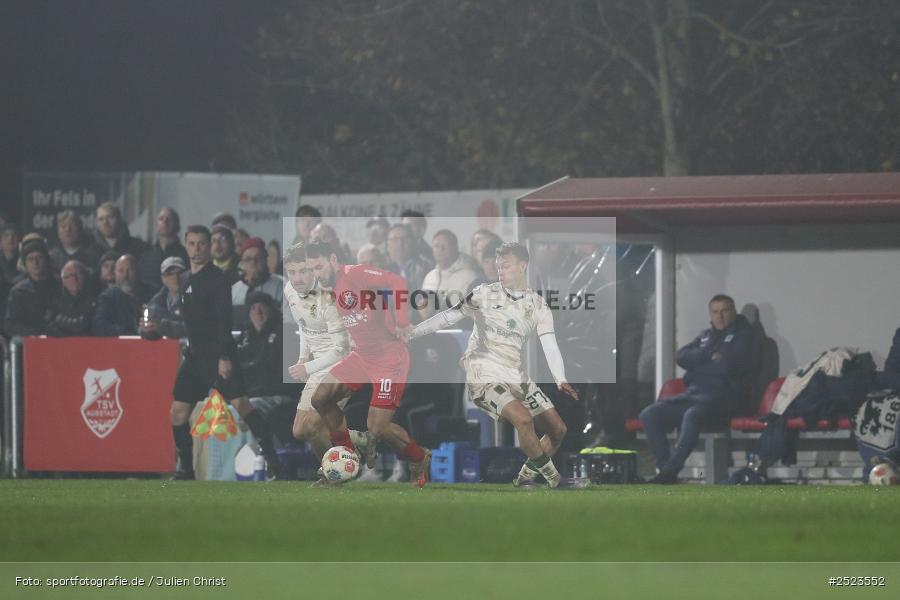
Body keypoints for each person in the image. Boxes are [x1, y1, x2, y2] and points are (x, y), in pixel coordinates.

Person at [407, 242, 579, 488]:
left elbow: (549, 344)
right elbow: (448, 316)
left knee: (558, 430)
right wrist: (412, 333)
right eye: (498, 266)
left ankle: (525, 478)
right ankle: (555, 479)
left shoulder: (538, 305)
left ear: (523, 266)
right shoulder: (483, 294)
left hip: (514, 374)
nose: (500, 270)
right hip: (483, 372)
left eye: (506, 266)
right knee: (523, 420)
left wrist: (560, 378)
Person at [304, 240, 432, 487]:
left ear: (332, 260)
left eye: (319, 267)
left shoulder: (355, 273)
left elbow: (397, 282)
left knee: (379, 427)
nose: (317, 275)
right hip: (363, 356)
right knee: (320, 398)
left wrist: (403, 320)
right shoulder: (329, 288)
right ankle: (346, 455)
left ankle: (419, 458)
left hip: (389, 359)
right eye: (312, 270)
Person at [169, 225, 280, 480]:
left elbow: (223, 321)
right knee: (177, 411)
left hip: (217, 355)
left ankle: (274, 462)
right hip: (195, 357)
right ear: (186, 247)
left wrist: (224, 357)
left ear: (209, 247)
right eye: (192, 244)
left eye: (201, 244)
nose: (196, 249)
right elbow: (189, 322)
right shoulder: (185, 279)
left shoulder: (218, 280)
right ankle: (186, 468)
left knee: (242, 405)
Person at [640, 294, 755, 484]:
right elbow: (681, 356)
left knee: (692, 415)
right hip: (695, 396)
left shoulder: (745, 337)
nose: (720, 316)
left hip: (725, 400)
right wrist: (710, 355)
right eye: (715, 312)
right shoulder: (706, 336)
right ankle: (666, 470)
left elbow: (726, 366)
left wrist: (699, 362)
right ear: (710, 314)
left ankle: (670, 471)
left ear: (734, 312)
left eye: (725, 311)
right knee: (649, 414)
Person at [281, 243, 366, 462]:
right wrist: (303, 358)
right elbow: (303, 326)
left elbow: (341, 349)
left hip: (343, 363)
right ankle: (359, 442)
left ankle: (336, 471)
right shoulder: (290, 290)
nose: (297, 278)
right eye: (292, 272)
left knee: (312, 426)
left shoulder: (328, 299)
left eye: (303, 271)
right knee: (300, 431)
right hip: (319, 363)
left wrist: (306, 367)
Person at [4, 236, 59, 336]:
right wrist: (35, 334)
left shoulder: (60, 286)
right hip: (29, 341)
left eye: (39, 257)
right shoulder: (18, 292)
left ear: (47, 260)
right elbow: (10, 325)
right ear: (25, 264)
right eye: (30, 259)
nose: (35, 263)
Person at [420, 229, 479, 318]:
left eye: (445, 245)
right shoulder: (429, 276)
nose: (440, 249)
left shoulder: (470, 277)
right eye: (436, 246)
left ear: (455, 247)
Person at [231, 237, 285, 330]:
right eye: (248, 259)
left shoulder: (282, 285)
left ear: (265, 259)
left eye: (258, 258)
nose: (253, 262)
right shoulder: (235, 290)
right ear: (242, 263)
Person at [92, 254, 144, 336]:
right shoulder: (107, 297)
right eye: (120, 271)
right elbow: (99, 327)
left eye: (130, 270)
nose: (125, 276)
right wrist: (129, 331)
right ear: (115, 274)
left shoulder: (152, 293)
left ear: (137, 271)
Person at [138, 207, 189, 290]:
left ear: (177, 226)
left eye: (169, 219)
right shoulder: (145, 256)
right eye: (161, 219)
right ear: (156, 225)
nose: (165, 221)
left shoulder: (186, 255)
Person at [141, 256, 188, 340]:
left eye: (179, 273)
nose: (175, 277)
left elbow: (198, 327)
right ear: (163, 278)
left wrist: (163, 327)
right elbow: (146, 331)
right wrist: (146, 329)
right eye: (170, 274)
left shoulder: (197, 298)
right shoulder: (155, 302)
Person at [48, 260, 96, 337]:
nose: (74, 279)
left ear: (86, 276)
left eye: (79, 274)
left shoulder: (96, 298)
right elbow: (49, 324)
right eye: (69, 276)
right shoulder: (54, 299)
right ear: (63, 281)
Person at [48, 210, 102, 278]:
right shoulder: (52, 257)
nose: (68, 229)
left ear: (80, 228)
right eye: (63, 226)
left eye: (72, 225)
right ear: (58, 231)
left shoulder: (95, 254)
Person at [386, 223, 432, 293]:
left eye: (404, 238)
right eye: (395, 239)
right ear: (387, 244)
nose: (400, 243)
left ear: (412, 242)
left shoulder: (426, 267)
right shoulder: (381, 268)